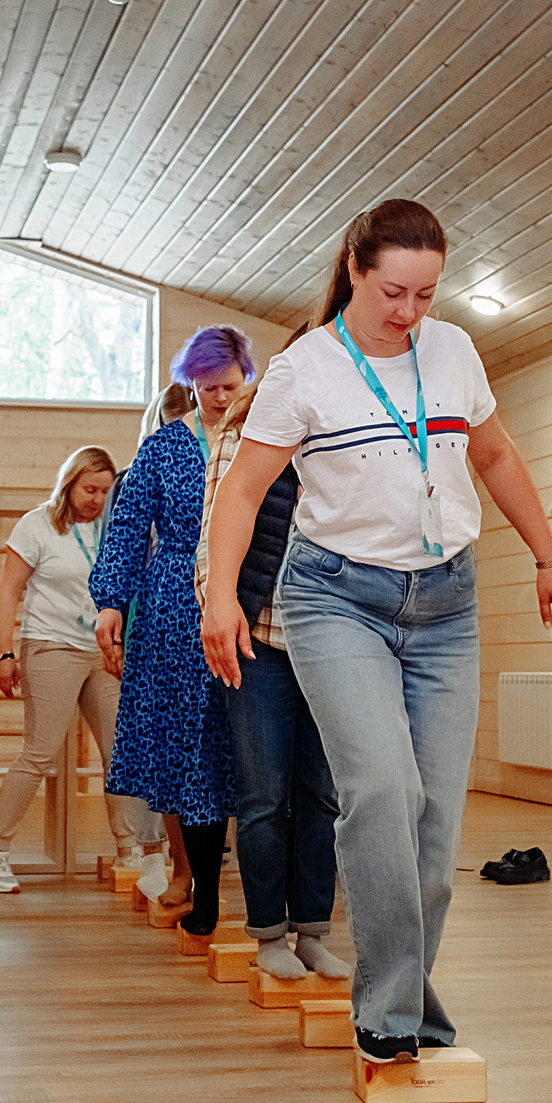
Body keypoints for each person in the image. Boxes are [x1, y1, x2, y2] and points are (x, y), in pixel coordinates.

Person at [201, 199, 552, 1066]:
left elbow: (495, 455)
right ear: (356, 270)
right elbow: (244, 492)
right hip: (336, 601)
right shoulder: (305, 369)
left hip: (447, 604)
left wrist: (548, 557)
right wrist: (221, 597)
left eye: (427, 294)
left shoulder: (453, 351)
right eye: (393, 292)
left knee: (437, 825)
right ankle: (391, 1012)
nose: (409, 313)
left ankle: (403, 999)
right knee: (381, 792)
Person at [92, 328, 252, 937]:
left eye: (229, 386)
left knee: (235, 751)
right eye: (205, 387)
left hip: (245, 598)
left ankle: (227, 885)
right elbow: (127, 528)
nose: (217, 397)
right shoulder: (161, 450)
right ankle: (192, 879)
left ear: (246, 378)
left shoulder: (260, 441)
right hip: (171, 610)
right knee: (184, 748)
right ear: (189, 384)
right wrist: (110, 604)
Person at [196, 348, 346, 983]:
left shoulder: (345, 436)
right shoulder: (243, 435)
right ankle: (268, 934)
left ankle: (312, 929)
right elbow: (214, 532)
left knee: (323, 793)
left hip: (329, 642)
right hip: (259, 638)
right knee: (262, 796)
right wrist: (217, 605)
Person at [0, 447, 144, 892]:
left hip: (102, 650)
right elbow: (8, 592)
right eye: (90, 489)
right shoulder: (36, 526)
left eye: (106, 491)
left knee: (120, 752)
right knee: (40, 752)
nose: (98, 499)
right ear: (69, 483)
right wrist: (4, 654)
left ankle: (131, 851)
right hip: (50, 646)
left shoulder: (112, 527)